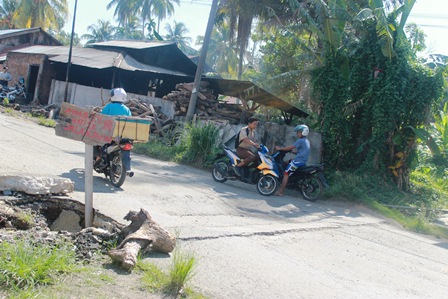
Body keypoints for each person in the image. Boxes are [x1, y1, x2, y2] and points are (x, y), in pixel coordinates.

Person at [94, 88, 132, 170]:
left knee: (95, 140)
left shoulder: (109, 106)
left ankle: (98, 157)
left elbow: (101, 117)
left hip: (109, 134)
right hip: (122, 135)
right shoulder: (127, 109)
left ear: (113, 96)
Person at [274, 124, 310, 196]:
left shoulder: (300, 141)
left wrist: (280, 149)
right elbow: (303, 151)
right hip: (302, 161)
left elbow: (291, 147)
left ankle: (280, 191)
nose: (297, 134)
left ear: (303, 132)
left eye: (299, 132)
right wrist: (295, 152)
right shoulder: (307, 141)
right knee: (287, 162)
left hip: (297, 162)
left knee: (286, 173)